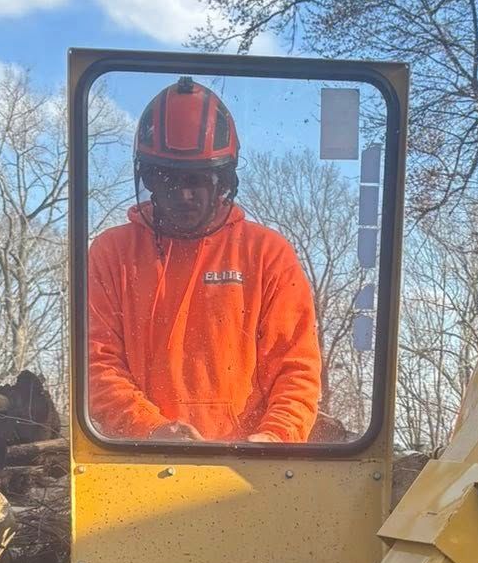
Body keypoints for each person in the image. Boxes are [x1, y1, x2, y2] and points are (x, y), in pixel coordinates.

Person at [87, 76, 322, 445]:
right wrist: (150, 429)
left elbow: (296, 369)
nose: (184, 194)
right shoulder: (112, 253)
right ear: (148, 178)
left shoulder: (267, 254)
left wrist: (273, 439)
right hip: (139, 460)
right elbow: (97, 365)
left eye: (197, 180)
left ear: (223, 179)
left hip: (250, 469)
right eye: (169, 179)